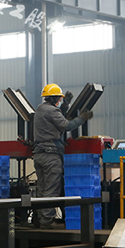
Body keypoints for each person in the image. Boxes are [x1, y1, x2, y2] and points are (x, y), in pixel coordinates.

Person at [33, 84, 93, 228]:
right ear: (54, 98)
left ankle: (42, 219)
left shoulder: (40, 109)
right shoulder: (52, 110)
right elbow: (66, 125)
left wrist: (65, 105)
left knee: (42, 188)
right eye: (59, 99)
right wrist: (82, 118)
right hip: (51, 156)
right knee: (51, 189)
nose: (60, 101)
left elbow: (55, 118)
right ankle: (47, 222)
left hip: (38, 154)